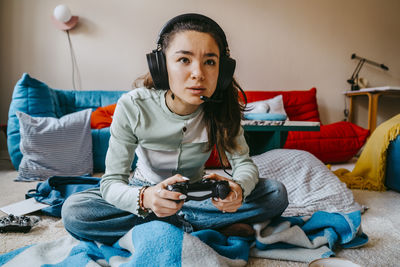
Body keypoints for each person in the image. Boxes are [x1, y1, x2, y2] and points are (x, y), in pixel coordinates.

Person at [62, 13, 288, 245]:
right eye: (184, 60)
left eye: (210, 61)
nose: (198, 73)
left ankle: (172, 226)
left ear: (222, 71)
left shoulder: (221, 107)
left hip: (200, 194)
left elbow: (243, 164)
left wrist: (237, 188)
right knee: (75, 211)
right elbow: (111, 183)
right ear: (161, 65)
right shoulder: (133, 105)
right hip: (145, 192)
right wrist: (145, 198)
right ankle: (206, 225)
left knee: (276, 193)